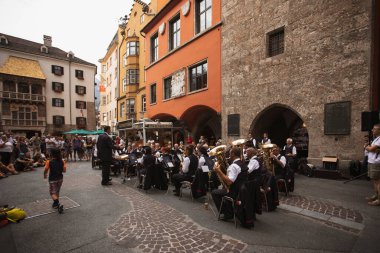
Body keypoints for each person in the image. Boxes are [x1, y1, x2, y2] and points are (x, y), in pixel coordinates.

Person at [211, 147, 248, 220]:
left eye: (229, 153)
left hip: (235, 192)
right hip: (242, 190)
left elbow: (229, 182)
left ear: (233, 154)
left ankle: (227, 213)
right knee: (221, 190)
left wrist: (219, 171)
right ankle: (229, 209)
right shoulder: (242, 163)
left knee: (214, 192)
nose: (228, 156)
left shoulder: (234, 166)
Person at [365, 124, 380, 206]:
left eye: (374, 129)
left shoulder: (379, 139)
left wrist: (368, 147)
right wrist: (369, 148)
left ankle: (379, 200)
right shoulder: (375, 139)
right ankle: (376, 196)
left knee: (378, 182)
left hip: (376, 162)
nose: (372, 130)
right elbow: (371, 149)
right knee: (375, 181)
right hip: (372, 161)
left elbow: (370, 148)